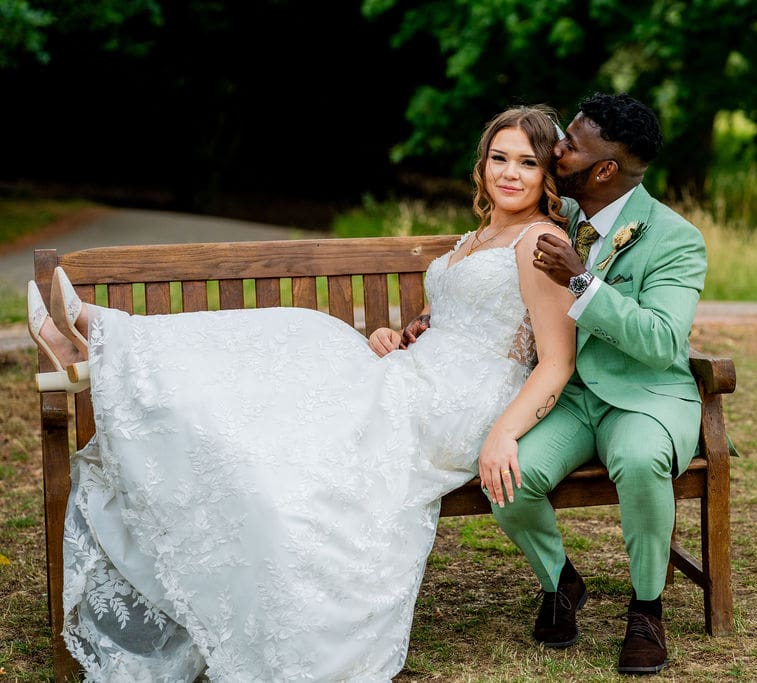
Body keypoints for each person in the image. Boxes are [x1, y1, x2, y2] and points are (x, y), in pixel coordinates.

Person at [27, 105, 576, 682]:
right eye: (499, 158)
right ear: (482, 163)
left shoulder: (540, 241)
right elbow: (462, 316)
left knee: (302, 351)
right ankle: (101, 337)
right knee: (300, 337)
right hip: (416, 372)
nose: (509, 173)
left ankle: (103, 334)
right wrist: (406, 331)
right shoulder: (485, 234)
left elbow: (555, 362)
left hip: (460, 404)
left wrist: (502, 434)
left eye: (527, 163)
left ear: (547, 176)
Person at [497, 92, 708, 675]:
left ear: (605, 169)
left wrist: (584, 281)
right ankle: (561, 581)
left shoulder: (674, 237)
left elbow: (663, 343)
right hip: (567, 397)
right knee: (504, 472)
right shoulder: (552, 214)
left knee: (641, 461)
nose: (554, 150)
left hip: (645, 397)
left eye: (568, 146)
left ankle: (647, 610)